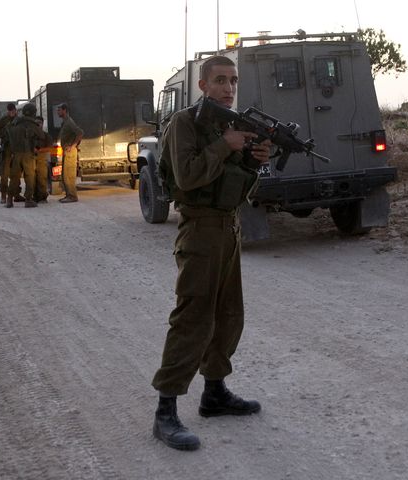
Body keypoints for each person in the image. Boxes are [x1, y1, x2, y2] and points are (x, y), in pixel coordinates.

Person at [150, 55, 272, 451]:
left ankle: (214, 393)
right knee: (193, 319)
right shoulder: (185, 123)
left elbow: (233, 186)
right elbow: (188, 176)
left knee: (228, 315)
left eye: (233, 81)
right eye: (220, 80)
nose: (228, 88)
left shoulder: (228, 125)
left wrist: (254, 163)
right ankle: (165, 411)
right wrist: (225, 144)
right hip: (199, 231)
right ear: (202, 85)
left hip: (228, 228)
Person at [5, 103, 47, 208]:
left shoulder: (14, 123)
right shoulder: (32, 124)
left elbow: (8, 134)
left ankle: (9, 200)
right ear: (33, 113)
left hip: (16, 154)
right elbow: (42, 136)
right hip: (28, 154)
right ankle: (28, 199)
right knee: (30, 177)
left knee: (14, 177)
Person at [55, 103, 83, 203]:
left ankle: (72, 196)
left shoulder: (69, 122)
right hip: (66, 152)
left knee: (69, 175)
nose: (57, 112)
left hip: (70, 152)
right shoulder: (65, 122)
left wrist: (73, 145)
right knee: (65, 175)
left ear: (64, 110)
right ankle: (68, 195)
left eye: (59, 110)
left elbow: (80, 133)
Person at [0, 103, 20, 203]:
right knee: (5, 173)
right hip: (6, 148)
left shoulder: (19, 119)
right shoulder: (3, 120)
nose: (12, 113)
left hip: (17, 148)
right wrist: (6, 133)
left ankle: (16, 194)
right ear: (8, 111)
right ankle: (3, 195)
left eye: (13, 111)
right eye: (10, 111)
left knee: (16, 172)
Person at [33, 115, 53, 203]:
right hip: (32, 159)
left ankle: (42, 197)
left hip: (41, 159)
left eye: (39, 123)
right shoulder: (31, 135)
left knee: (42, 178)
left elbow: (49, 148)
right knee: (32, 179)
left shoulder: (46, 136)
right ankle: (34, 196)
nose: (38, 125)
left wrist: (40, 150)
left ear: (42, 124)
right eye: (36, 123)